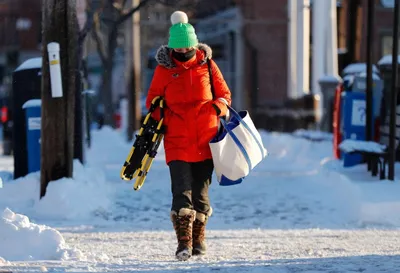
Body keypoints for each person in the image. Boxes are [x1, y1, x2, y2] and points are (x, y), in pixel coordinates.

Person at [145, 11, 232, 261]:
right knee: (182, 193)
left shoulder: (207, 65)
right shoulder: (164, 70)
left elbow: (225, 94)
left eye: (187, 46)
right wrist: (163, 113)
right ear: (172, 47)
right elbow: (152, 101)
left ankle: (198, 239)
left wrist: (218, 107)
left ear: (194, 44)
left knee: (201, 194)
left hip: (207, 139)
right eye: (179, 47)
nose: (183, 51)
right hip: (178, 140)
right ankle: (183, 243)